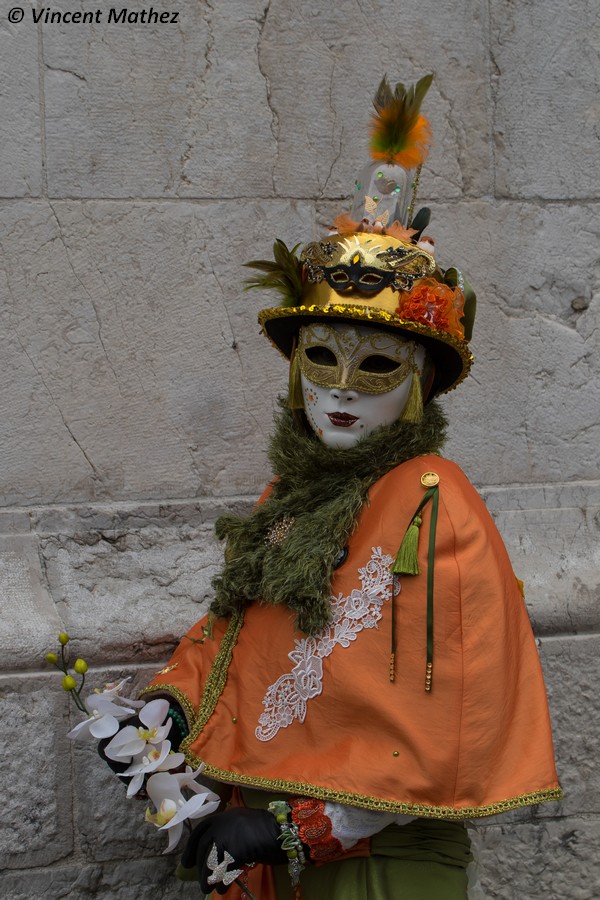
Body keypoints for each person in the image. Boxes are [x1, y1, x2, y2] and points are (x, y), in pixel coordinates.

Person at [122, 76, 563, 899]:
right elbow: (234, 640)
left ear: (420, 384)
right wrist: (165, 717)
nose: (343, 388)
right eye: (320, 357)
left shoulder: (434, 503)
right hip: (258, 854)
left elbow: (448, 726)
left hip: (377, 867)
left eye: (377, 366)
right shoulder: (289, 497)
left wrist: (294, 828)